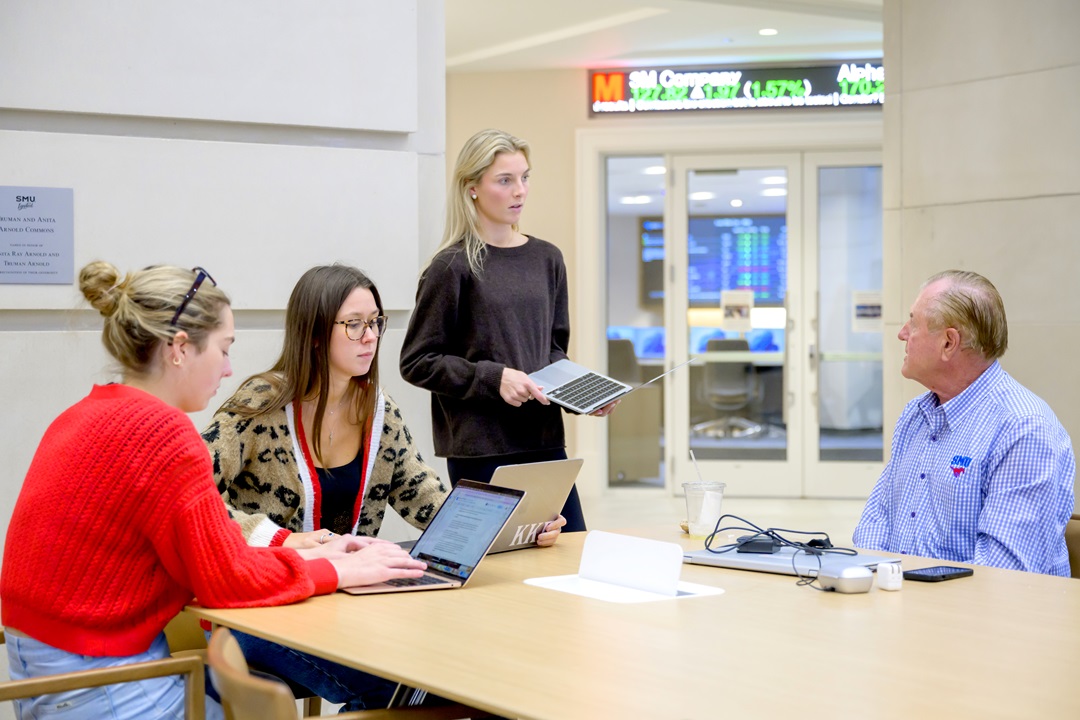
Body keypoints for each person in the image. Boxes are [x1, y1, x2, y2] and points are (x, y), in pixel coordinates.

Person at [0, 262, 427, 720]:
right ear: (180, 350)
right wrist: (339, 572)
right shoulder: (162, 433)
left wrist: (314, 555)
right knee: (394, 689)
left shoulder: (86, 412)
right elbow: (225, 580)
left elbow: (211, 553)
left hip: (45, 667)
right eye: (223, 350)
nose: (228, 370)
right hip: (98, 676)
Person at [202, 263, 564, 710]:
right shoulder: (259, 405)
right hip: (265, 608)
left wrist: (517, 526)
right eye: (354, 325)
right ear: (314, 333)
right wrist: (280, 538)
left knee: (466, 670)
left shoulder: (378, 410)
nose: (370, 336)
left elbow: (424, 495)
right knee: (404, 689)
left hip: (350, 606)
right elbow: (192, 498)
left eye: (374, 322)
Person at [399, 128, 613, 533]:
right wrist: (493, 379)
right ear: (472, 188)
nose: (520, 191)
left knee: (566, 556)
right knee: (497, 572)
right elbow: (417, 361)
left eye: (525, 177)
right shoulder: (452, 267)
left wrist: (582, 394)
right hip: (481, 449)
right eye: (505, 180)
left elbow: (550, 352)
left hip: (545, 441)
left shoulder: (547, 258)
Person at [853, 270, 1074, 576]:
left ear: (948, 343)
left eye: (914, 323)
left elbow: (1004, 577)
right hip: (907, 605)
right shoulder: (914, 415)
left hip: (981, 618)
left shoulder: (1024, 429)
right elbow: (877, 521)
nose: (902, 333)